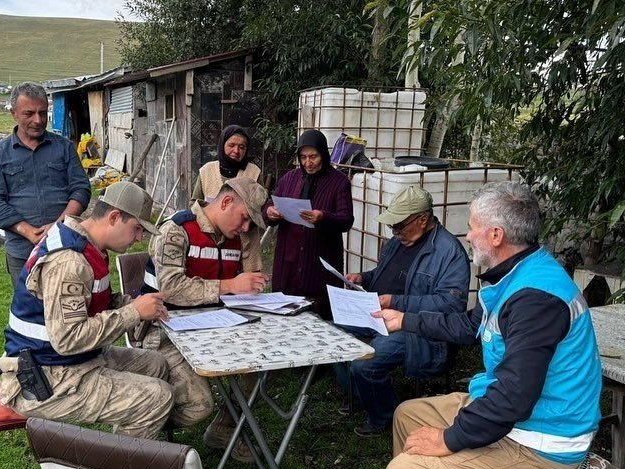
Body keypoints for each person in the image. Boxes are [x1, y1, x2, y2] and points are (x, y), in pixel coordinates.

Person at [374, 181, 602, 469]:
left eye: (471, 227)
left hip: (542, 440)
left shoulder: (535, 301)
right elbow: (469, 326)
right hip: (522, 415)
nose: (467, 237)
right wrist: (404, 319)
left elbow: (514, 397)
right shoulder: (518, 273)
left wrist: (449, 440)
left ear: (496, 235)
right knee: (409, 415)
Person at [0, 181, 174, 440]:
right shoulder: (68, 261)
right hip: (44, 379)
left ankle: (136, 441)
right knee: (157, 397)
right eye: (137, 229)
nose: (138, 238)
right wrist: (133, 312)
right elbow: (68, 339)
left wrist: (137, 306)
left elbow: (91, 303)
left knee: (155, 363)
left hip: (66, 361)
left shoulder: (87, 245)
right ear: (114, 218)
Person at [140, 177, 269, 461]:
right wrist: (231, 285)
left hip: (214, 324)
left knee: (257, 363)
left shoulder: (237, 236)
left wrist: (252, 284)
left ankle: (225, 429)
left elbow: (242, 280)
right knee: (199, 404)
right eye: (245, 218)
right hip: (162, 327)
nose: (246, 228)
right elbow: (172, 287)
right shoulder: (177, 229)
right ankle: (141, 426)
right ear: (225, 202)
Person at [337, 186, 470, 437]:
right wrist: (363, 277)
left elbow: (451, 306)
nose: (395, 232)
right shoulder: (399, 241)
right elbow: (387, 274)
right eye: (393, 227)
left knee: (365, 364)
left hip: (417, 327)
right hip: (379, 312)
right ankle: (363, 396)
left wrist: (396, 302)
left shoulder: (449, 253)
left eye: (399, 226)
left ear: (422, 219)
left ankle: (384, 416)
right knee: (333, 333)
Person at [0, 81, 92, 287]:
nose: (38, 120)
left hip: (65, 246)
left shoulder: (64, 147)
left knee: (68, 306)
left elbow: (81, 189)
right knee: (28, 312)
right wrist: (28, 231)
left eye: (43, 113)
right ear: (13, 113)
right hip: (22, 252)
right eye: (29, 113)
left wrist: (58, 226)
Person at [263, 129, 354, 319]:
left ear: (323, 154)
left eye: (313, 157)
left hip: (319, 262)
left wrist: (323, 217)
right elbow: (271, 204)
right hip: (289, 261)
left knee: (319, 317)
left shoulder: (339, 182)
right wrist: (271, 212)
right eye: (303, 157)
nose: (308, 163)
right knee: (284, 313)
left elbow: (346, 219)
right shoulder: (290, 178)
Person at [192, 125, 264, 272]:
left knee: (246, 288)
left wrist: (246, 220)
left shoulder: (254, 173)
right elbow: (194, 204)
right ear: (222, 145)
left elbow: (261, 208)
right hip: (212, 243)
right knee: (219, 282)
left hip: (246, 244)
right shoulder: (207, 171)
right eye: (231, 145)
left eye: (242, 147)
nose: (236, 151)